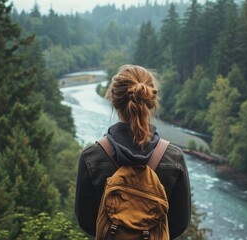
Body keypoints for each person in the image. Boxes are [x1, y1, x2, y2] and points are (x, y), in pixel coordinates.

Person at [75, 64, 191, 239]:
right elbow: (180, 221)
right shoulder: (173, 156)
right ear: (151, 102)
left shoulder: (91, 157)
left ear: (114, 101)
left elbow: (85, 220)